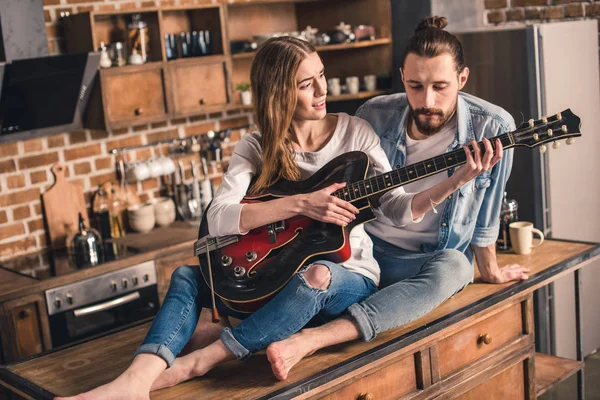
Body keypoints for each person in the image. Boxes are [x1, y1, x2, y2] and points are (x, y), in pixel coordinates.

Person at [57, 34, 498, 400]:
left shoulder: (355, 133)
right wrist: (301, 204)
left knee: (321, 275)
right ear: (279, 92)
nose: (323, 90)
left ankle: (206, 358)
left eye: (322, 76)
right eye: (307, 84)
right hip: (274, 280)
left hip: (343, 277)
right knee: (188, 277)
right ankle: (134, 382)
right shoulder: (256, 146)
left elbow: (399, 209)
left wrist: (456, 179)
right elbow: (219, 217)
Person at [264, 16, 531, 381]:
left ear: (462, 80)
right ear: (402, 76)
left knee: (457, 266)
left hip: (423, 262)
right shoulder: (373, 114)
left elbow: (487, 210)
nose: (427, 101)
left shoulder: (493, 127)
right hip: (363, 253)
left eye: (441, 86)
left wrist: (491, 269)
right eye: (416, 86)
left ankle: (315, 339)